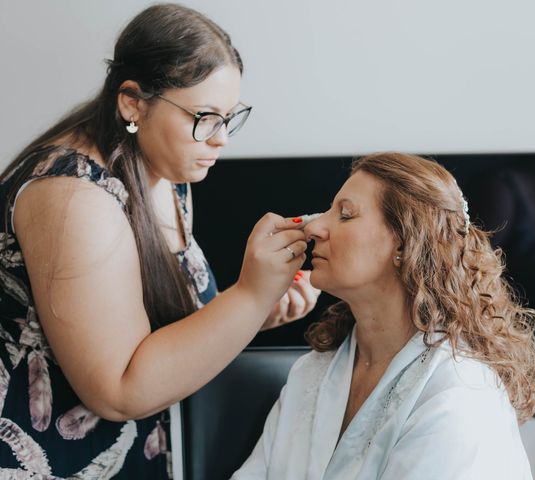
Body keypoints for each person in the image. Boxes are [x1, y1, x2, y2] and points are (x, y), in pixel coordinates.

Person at [0, 4, 320, 479]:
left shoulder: (163, 169)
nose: (220, 139)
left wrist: (256, 312)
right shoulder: (73, 198)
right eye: (205, 116)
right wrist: (249, 298)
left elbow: (162, 335)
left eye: (230, 117)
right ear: (132, 102)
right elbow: (118, 389)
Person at [232, 152, 535, 480]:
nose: (315, 226)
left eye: (346, 214)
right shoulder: (312, 372)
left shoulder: (457, 394)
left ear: (405, 244)